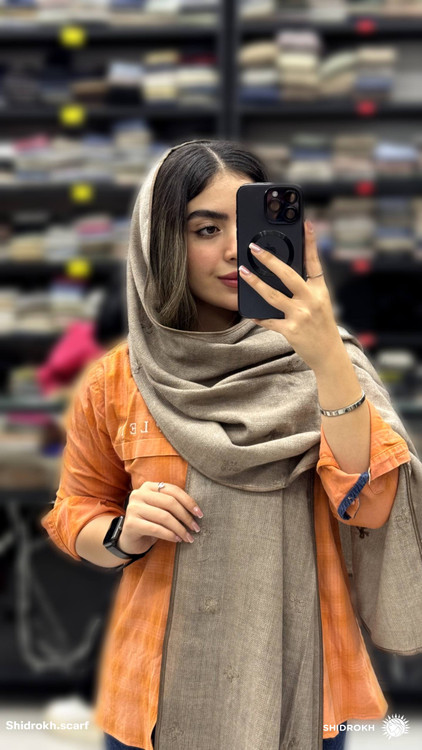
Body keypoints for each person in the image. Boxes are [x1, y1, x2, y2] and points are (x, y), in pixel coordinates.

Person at [41, 140, 422, 750]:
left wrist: (326, 354)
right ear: (162, 243)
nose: (233, 250)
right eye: (206, 229)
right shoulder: (119, 380)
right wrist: (122, 534)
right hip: (155, 699)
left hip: (307, 694)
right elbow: (74, 510)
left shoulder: (331, 362)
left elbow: (374, 506)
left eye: (248, 225)